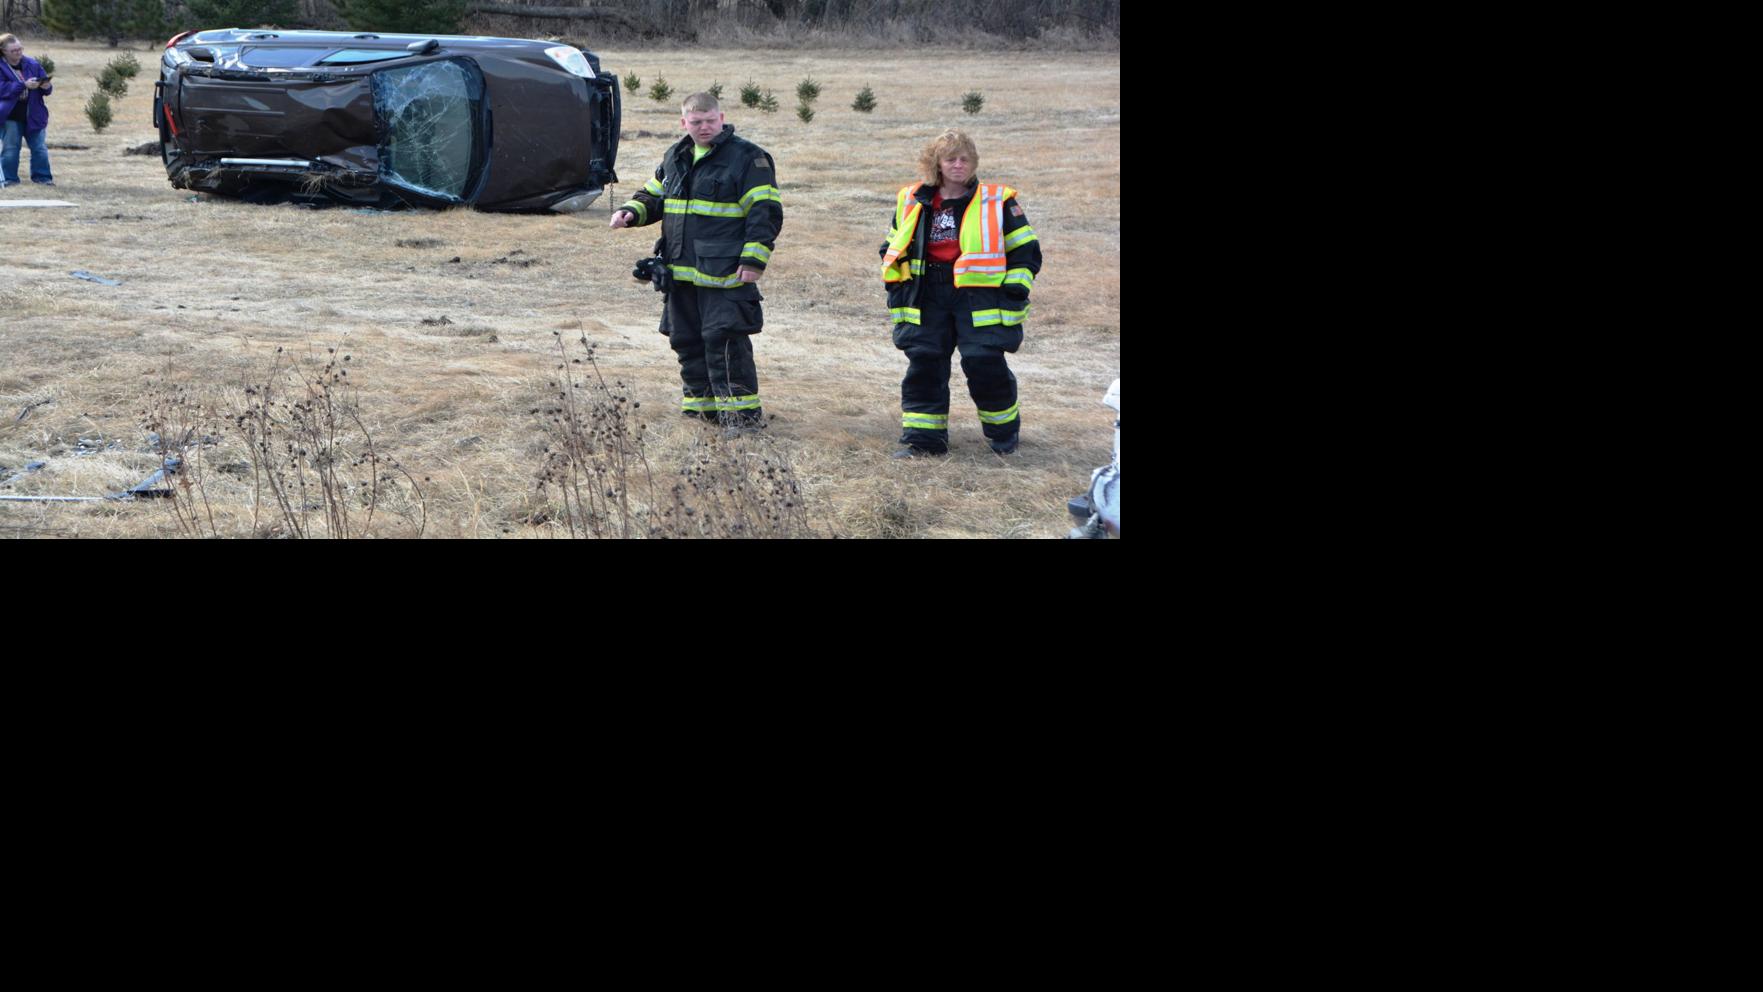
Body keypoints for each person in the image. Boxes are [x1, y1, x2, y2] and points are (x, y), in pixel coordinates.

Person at [610, 92, 781, 434]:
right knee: (686, 340)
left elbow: (765, 212)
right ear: (683, 122)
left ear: (722, 118)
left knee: (725, 342)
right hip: (680, 272)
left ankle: (742, 419)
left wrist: (754, 259)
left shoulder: (748, 158)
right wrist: (631, 211)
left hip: (725, 274)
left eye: (709, 121)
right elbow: (655, 194)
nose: (703, 128)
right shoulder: (676, 155)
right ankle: (702, 413)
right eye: (696, 121)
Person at [880, 128, 1040, 458]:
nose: (958, 165)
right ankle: (923, 441)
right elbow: (894, 241)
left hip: (978, 295)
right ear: (936, 164)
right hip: (926, 293)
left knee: (983, 360)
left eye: (964, 159)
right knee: (925, 362)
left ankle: (1003, 433)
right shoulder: (912, 198)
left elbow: (1026, 251)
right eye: (950, 159)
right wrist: (896, 277)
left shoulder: (998, 200)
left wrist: (1015, 288)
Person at [0, 33, 54, 188]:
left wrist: (46, 86)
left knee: (40, 148)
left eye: (20, 49)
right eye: (14, 50)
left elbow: (47, 89)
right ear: (3, 51)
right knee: (11, 148)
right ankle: (9, 179)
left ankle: (43, 177)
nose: (18, 53)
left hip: (34, 114)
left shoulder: (32, 64)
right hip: (10, 115)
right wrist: (23, 85)